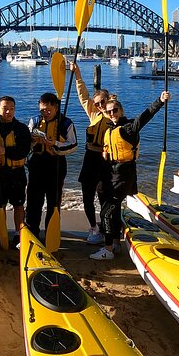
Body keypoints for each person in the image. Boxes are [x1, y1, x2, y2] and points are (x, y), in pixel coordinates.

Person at [90, 90, 171, 261]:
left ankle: (108, 249)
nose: (112, 114)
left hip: (124, 175)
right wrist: (105, 153)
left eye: (115, 111)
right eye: (109, 111)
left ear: (121, 111)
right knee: (113, 209)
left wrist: (160, 101)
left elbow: (146, 115)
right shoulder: (110, 129)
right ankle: (115, 242)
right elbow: (108, 147)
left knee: (106, 213)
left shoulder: (129, 128)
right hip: (110, 173)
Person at [69, 62, 111, 245]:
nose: (100, 105)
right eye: (98, 103)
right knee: (87, 196)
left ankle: (107, 229)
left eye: (103, 102)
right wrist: (77, 74)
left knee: (103, 197)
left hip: (105, 161)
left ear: (108, 101)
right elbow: (83, 96)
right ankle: (93, 228)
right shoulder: (94, 114)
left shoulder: (114, 116)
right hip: (89, 158)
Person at [26, 93, 77, 241]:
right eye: (42, 110)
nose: (45, 113)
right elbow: (27, 145)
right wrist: (33, 141)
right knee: (34, 202)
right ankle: (32, 233)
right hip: (36, 165)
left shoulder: (66, 123)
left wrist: (54, 143)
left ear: (56, 107)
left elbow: (73, 146)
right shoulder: (34, 121)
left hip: (56, 166)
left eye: (49, 110)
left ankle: (51, 234)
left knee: (53, 202)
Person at [0, 96, 31, 247]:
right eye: (5, 108)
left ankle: (18, 234)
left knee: (18, 204)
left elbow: (24, 151)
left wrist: (5, 151)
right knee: (0, 204)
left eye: (11, 108)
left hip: (17, 173)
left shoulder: (22, 129)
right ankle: (1, 232)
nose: (8, 111)